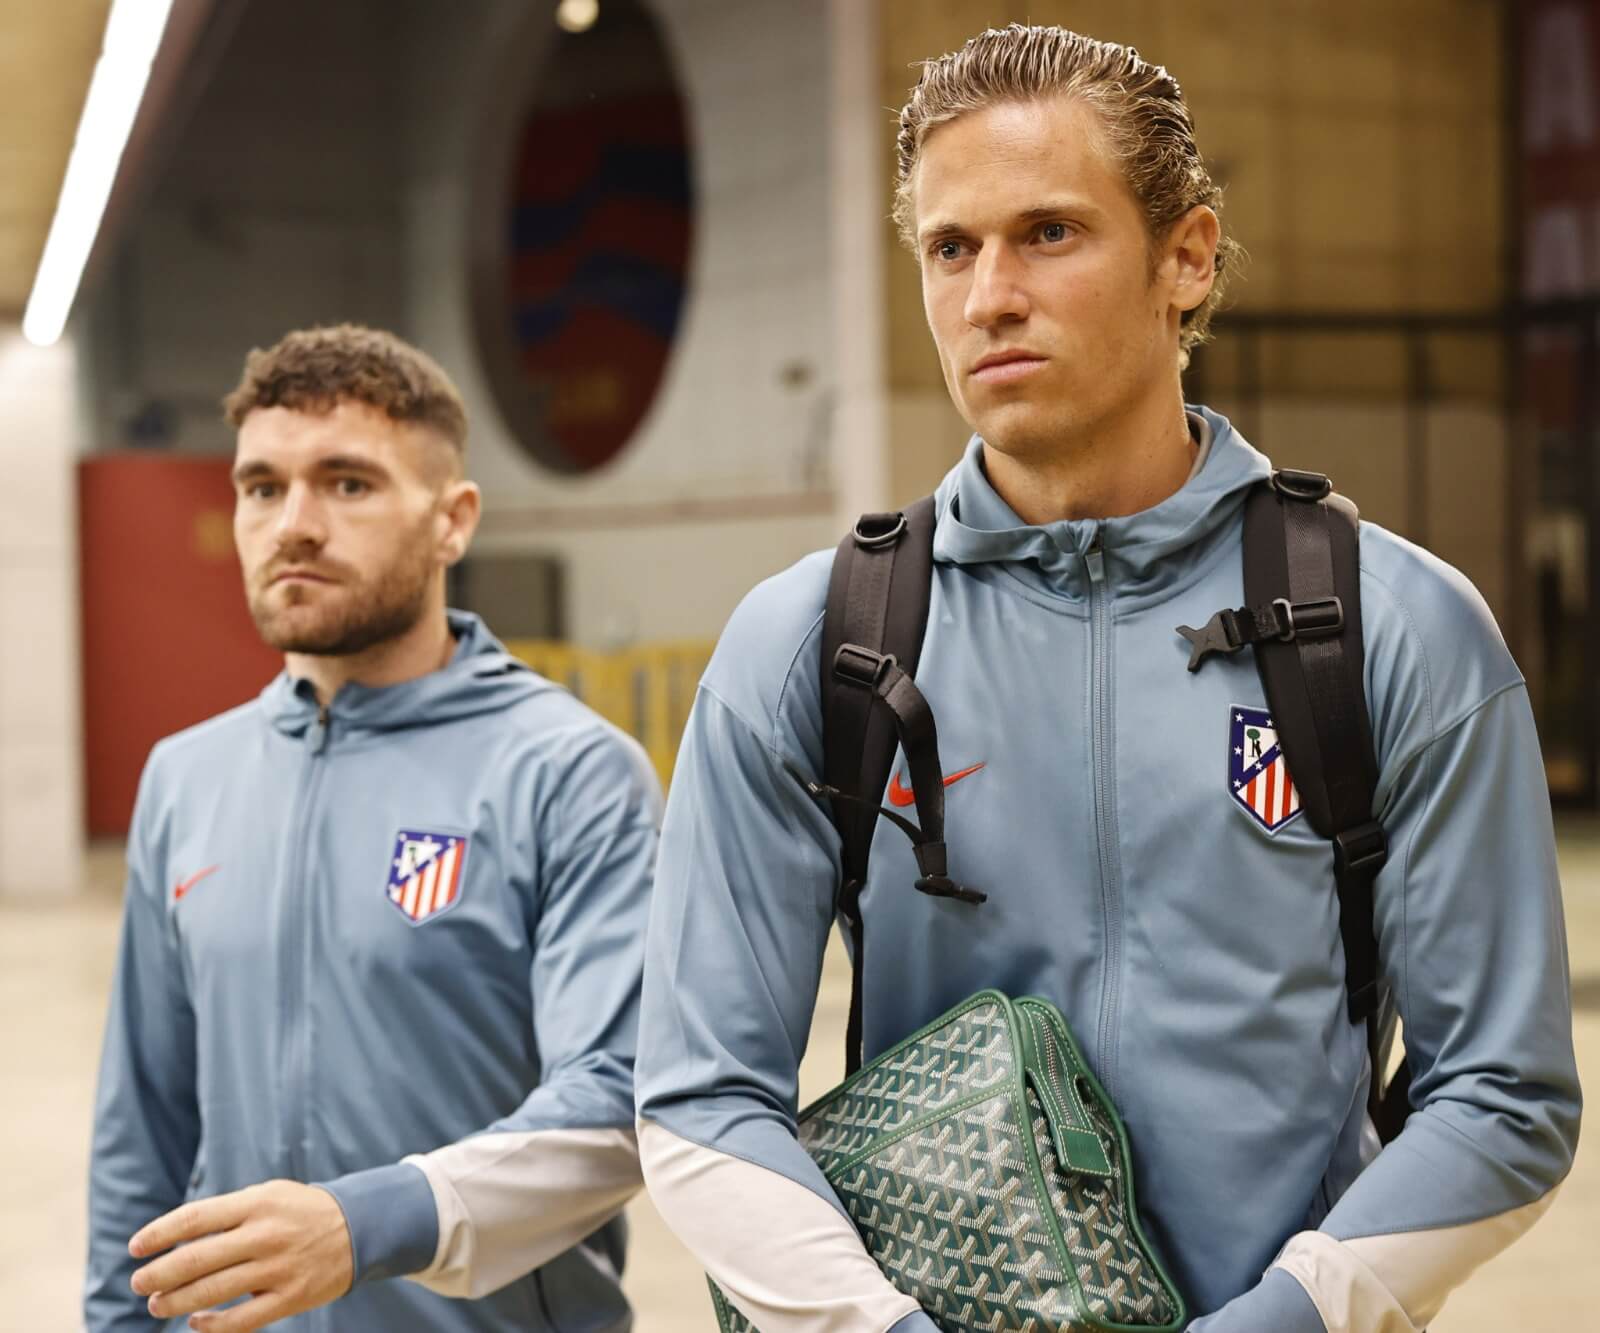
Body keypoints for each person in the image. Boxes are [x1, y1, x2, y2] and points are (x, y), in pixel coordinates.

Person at [635, 25, 1582, 1332]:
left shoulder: (1389, 628)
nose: (989, 296)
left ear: (1185, 258)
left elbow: (1502, 1094)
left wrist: (1289, 1320)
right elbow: (698, 1096)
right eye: (951, 249)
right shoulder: (818, 645)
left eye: (1051, 234)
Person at [85, 325, 662, 1332]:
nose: (293, 525)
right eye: (262, 487)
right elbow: (145, 1121)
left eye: (346, 483)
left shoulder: (568, 773)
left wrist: (366, 1222)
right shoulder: (187, 777)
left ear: (453, 521)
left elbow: (621, 1099)